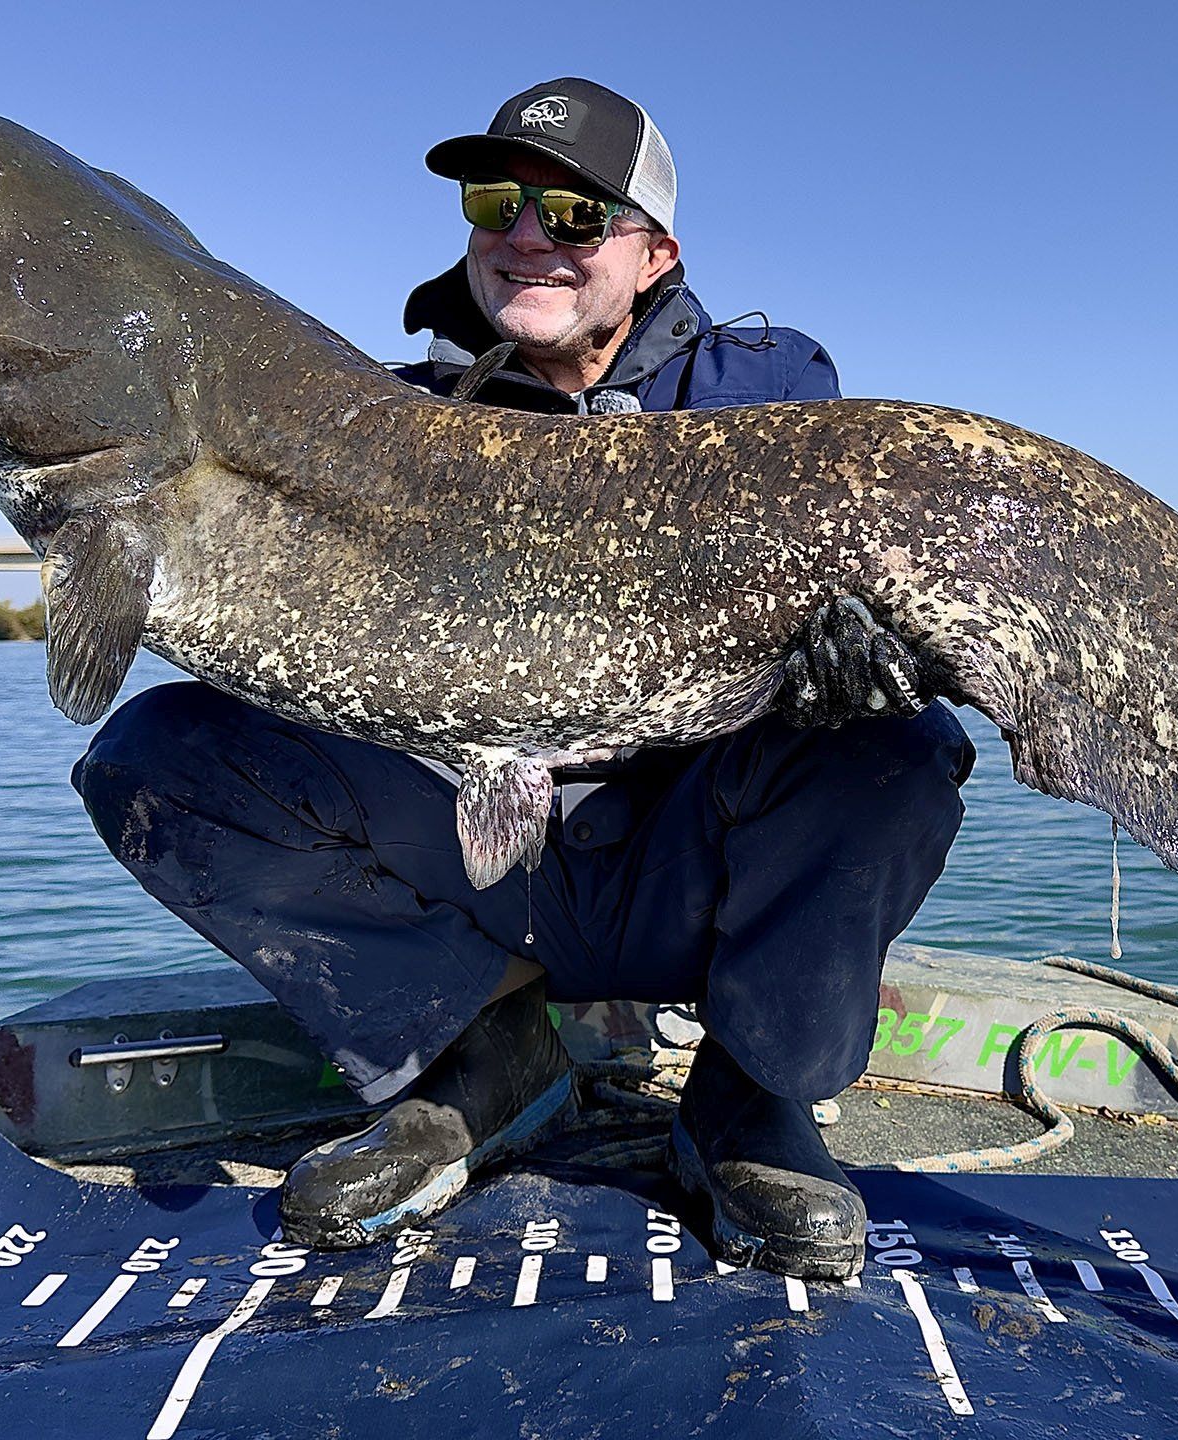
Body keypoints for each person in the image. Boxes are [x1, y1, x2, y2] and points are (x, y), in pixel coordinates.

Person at [72, 78, 974, 1280]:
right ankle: (479, 1057)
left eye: (576, 215)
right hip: (488, 868)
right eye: (498, 202)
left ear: (654, 254)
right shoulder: (388, 418)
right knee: (155, 762)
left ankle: (752, 1101)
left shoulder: (771, 394)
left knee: (899, 744)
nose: (527, 235)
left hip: (685, 863)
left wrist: (863, 660)